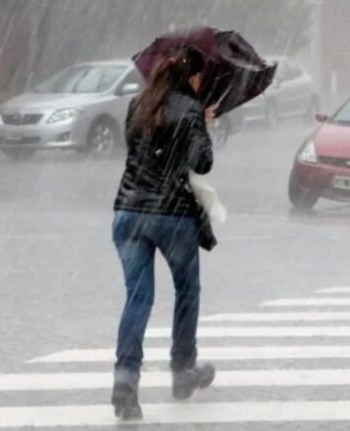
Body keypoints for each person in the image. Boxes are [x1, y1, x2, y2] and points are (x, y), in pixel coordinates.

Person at [111, 48, 216, 421]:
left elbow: (139, 153)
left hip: (128, 212)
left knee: (137, 299)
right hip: (172, 216)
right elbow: (201, 162)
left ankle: (125, 382)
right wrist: (202, 124)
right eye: (201, 78)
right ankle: (183, 370)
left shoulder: (138, 104)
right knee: (187, 290)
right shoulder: (190, 108)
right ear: (193, 78)